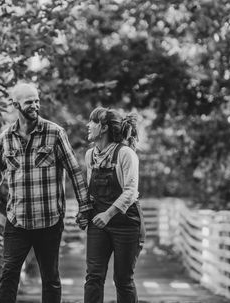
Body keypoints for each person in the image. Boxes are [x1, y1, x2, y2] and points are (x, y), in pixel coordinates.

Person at [0, 82, 92, 303]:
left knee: (50, 278)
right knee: (8, 273)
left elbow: (74, 171)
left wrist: (84, 207)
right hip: (17, 220)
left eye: (37, 100)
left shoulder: (54, 133)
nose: (35, 105)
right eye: (29, 102)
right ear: (16, 104)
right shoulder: (6, 137)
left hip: (49, 220)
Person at [84, 107, 145, 303]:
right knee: (93, 277)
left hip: (126, 224)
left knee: (123, 279)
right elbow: (90, 192)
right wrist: (84, 212)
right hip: (98, 223)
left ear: (103, 128)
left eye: (92, 122)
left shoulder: (125, 154)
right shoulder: (90, 155)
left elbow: (130, 192)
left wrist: (108, 214)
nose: (88, 125)